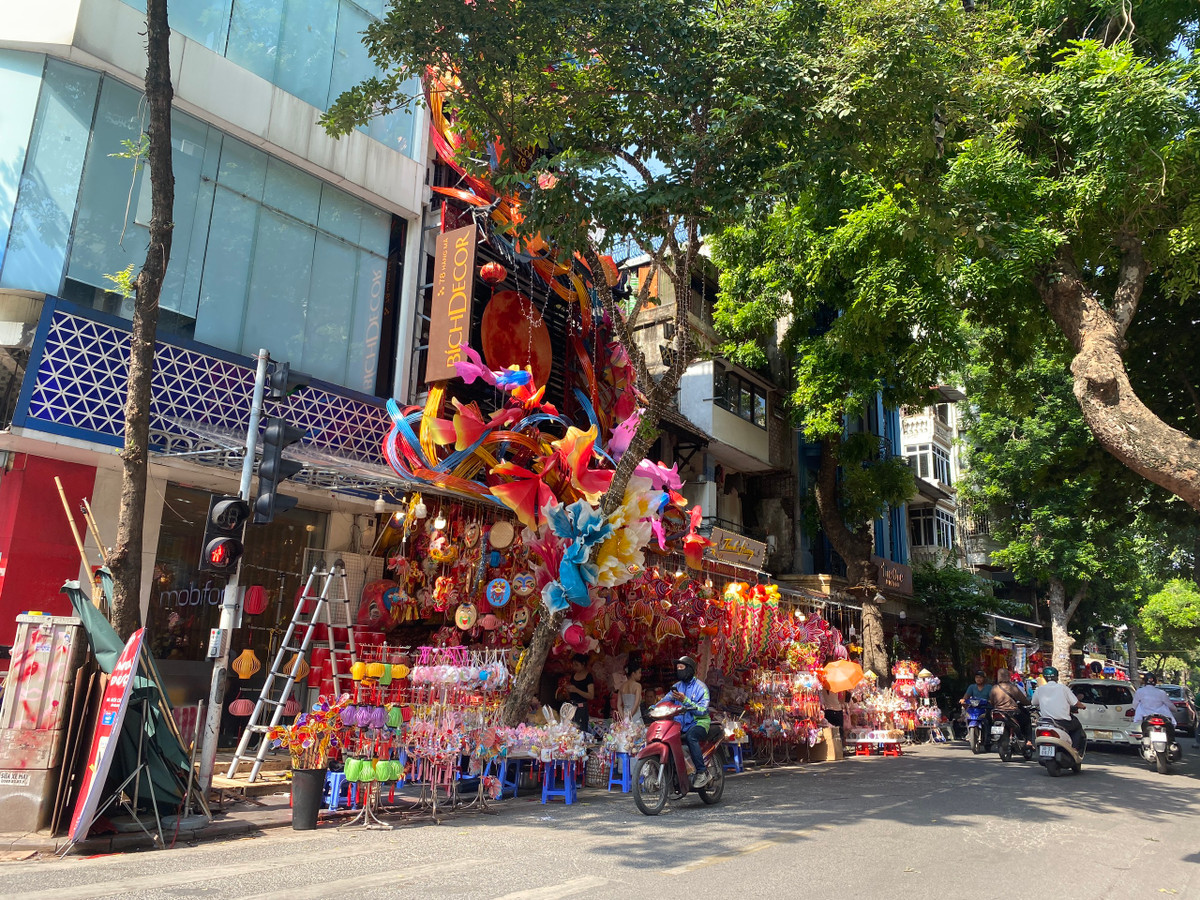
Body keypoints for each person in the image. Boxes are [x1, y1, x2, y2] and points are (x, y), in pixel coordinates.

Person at [667, 655, 712, 788]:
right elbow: (665, 699)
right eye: (677, 668)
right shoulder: (676, 687)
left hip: (699, 723)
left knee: (691, 737)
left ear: (690, 669)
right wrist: (653, 707)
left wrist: (685, 700)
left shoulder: (701, 688)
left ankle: (702, 772)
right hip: (679, 725)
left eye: (682, 667)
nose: (679, 670)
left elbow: (703, 710)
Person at [1031, 666, 1086, 753]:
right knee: (1077, 727)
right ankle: (1074, 749)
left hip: (1046, 722)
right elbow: (1075, 703)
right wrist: (1083, 706)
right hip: (1063, 722)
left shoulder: (1040, 689)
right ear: (1057, 677)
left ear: (1044, 677)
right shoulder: (1063, 688)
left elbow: (1034, 702)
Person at [1132, 673, 1178, 750]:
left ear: (1144, 681)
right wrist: (1175, 710)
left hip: (1146, 718)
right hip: (1162, 717)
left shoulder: (1140, 691)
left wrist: (1133, 709)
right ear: (1155, 682)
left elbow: (1135, 704)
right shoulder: (1161, 692)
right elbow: (1170, 705)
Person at [989, 668, 1032, 748]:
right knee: (1027, 720)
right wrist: (1029, 702)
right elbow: (1023, 700)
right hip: (1012, 712)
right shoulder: (1013, 687)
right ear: (1008, 676)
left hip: (998, 712)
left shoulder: (994, 688)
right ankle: (1029, 741)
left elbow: (991, 701)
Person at [563, 654, 594, 731]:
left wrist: (576, 690)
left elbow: (591, 695)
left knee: (581, 728)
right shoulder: (573, 675)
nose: (574, 667)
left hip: (581, 706)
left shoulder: (588, 677)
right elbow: (570, 695)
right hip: (572, 705)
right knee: (571, 728)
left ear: (583, 664)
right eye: (573, 665)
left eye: (576, 665)